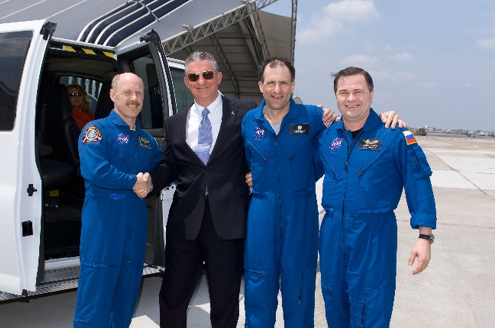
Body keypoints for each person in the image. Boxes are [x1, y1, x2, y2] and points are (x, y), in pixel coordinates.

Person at [241, 58, 404, 327]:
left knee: (300, 288)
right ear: (261, 86)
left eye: (283, 83)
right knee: (258, 283)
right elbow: (243, 160)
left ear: (293, 86)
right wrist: (250, 177)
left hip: (301, 212)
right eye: (271, 83)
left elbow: (350, 129)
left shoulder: (314, 117)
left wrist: (386, 118)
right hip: (261, 210)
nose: (277, 89)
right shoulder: (249, 121)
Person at [316, 67, 435, 328]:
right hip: (332, 231)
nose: (351, 98)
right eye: (343, 92)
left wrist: (424, 236)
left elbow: (419, 183)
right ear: (336, 97)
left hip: (374, 234)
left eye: (358, 91)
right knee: (334, 299)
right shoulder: (326, 137)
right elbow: (299, 169)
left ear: (371, 94)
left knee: (372, 302)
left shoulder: (394, 135)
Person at [145, 51, 256, 327]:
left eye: (207, 74)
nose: (201, 81)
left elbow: (266, 146)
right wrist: (149, 182)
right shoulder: (175, 123)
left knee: (224, 300)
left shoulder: (245, 111)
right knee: (172, 296)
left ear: (218, 77)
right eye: (194, 76)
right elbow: (170, 165)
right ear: (186, 82)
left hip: (228, 223)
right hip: (185, 222)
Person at [72, 73, 162, 328]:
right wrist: (135, 182)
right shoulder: (96, 131)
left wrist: (152, 181)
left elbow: (162, 166)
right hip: (104, 223)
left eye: (139, 93)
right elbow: (95, 170)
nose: (134, 99)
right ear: (112, 95)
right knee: (97, 291)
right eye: (127, 92)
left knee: (127, 289)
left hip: (135, 222)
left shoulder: (146, 140)